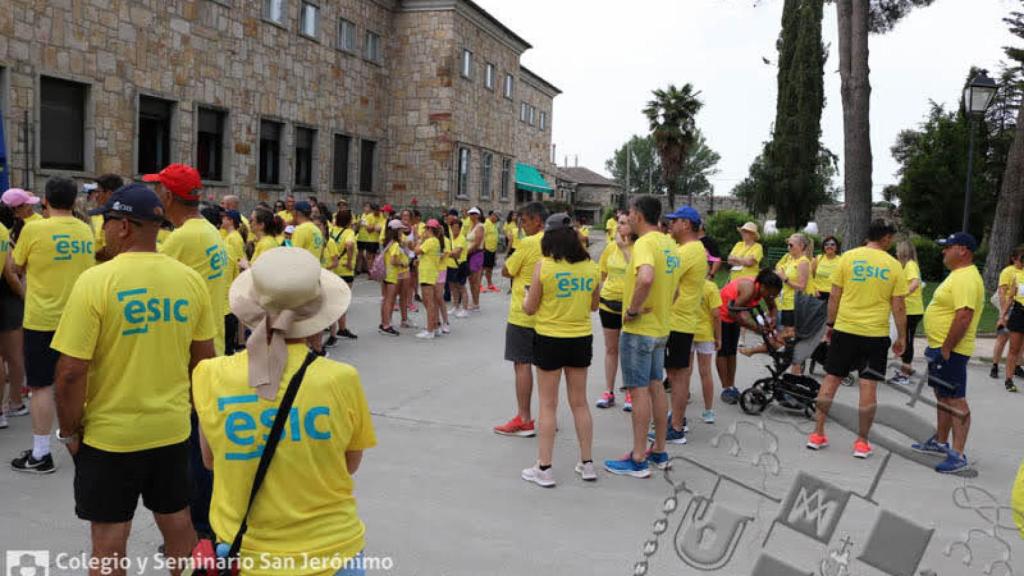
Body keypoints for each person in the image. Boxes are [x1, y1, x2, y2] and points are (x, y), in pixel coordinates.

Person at [52, 183, 216, 573]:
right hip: (171, 430)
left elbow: (71, 373)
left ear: (123, 226)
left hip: (111, 436)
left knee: (109, 537)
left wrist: (69, 431)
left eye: (106, 222)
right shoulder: (190, 281)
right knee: (178, 523)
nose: (102, 230)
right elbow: (204, 363)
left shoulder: (96, 281)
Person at [194, 247, 375, 575]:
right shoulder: (341, 379)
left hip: (245, 551)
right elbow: (349, 463)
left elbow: (209, 460)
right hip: (334, 551)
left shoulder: (209, 374)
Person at [146, 163, 228, 537]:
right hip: (213, 342)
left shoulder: (181, 239)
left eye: (157, 188)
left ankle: (200, 530)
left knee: (195, 448)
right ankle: (207, 523)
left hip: (194, 353)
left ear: (167, 196)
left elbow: (153, 283)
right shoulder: (206, 230)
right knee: (203, 440)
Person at [9, 178, 95, 474]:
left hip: (42, 319)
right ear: (74, 201)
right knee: (79, 382)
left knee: (41, 386)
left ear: (45, 200)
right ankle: (86, 443)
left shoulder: (34, 229)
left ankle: (41, 453)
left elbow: (16, 266)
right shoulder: (85, 230)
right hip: (78, 318)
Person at [810, 220, 907, 459]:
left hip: (845, 329)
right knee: (868, 386)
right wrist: (902, 337)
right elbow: (900, 307)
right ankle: (862, 442)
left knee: (831, 380)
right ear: (885, 238)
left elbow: (834, 296)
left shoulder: (847, 258)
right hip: (875, 334)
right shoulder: (894, 266)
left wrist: (830, 325)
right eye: (891, 238)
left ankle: (817, 434)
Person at [603, 196, 682, 478]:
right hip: (661, 327)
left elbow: (646, 277)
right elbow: (675, 289)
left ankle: (637, 458)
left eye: (630, 214)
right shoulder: (668, 243)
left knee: (638, 392)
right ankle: (659, 450)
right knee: (655, 387)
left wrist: (633, 310)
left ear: (637, 214)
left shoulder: (646, 244)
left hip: (640, 330)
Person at [521, 213, 600, 487]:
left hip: (550, 338)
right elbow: (594, 305)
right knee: (580, 403)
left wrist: (525, 297)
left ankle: (544, 467)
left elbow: (530, 308)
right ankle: (587, 463)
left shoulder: (544, 266)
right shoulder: (591, 266)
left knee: (547, 404)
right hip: (580, 338)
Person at [906, 233, 984, 474]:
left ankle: (958, 455)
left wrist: (947, 347)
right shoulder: (959, 275)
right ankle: (940, 442)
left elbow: (964, 316)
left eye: (947, 247)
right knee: (943, 396)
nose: (943, 252)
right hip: (941, 347)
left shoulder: (966, 278)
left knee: (955, 399)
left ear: (962, 250)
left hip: (951, 350)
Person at [494, 202, 548, 437]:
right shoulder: (556, 243)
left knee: (522, 365)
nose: (522, 226)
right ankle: (548, 416)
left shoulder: (528, 243)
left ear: (537, 220)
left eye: (524, 221)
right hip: (548, 315)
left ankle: (524, 418)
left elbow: (507, 269)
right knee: (547, 369)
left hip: (523, 314)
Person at [663, 206, 709, 445]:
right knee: (677, 374)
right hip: (682, 320)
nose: (671, 225)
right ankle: (677, 418)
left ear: (686, 224)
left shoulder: (689, 250)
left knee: (677, 376)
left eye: (675, 221)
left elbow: (668, 280)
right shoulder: (689, 249)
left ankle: (676, 426)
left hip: (677, 321)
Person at [716, 269, 783, 404]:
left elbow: (773, 307)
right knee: (723, 351)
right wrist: (755, 328)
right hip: (722, 314)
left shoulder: (765, 290)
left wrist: (773, 318)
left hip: (733, 316)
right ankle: (726, 388)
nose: (771, 297)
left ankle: (731, 385)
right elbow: (733, 312)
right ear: (764, 287)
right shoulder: (749, 289)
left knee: (732, 352)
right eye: (771, 295)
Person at [595, 212, 635, 411]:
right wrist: (600, 292)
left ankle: (630, 392)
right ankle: (608, 391)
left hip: (630, 305)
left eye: (624, 223)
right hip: (609, 301)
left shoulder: (639, 248)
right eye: (619, 223)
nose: (619, 227)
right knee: (611, 349)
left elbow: (638, 271)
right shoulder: (611, 247)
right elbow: (602, 273)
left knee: (628, 350)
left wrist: (624, 247)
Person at [0, 205, 26, 426]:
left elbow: (10, 272)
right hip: (10, 300)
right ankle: (14, 403)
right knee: (14, 356)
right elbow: (11, 272)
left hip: (8, 299)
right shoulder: (4, 235)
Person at [777, 233, 812, 374]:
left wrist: (785, 279)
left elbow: (802, 286)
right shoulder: (791, 259)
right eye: (788, 244)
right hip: (786, 303)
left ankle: (796, 372)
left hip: (795, 305)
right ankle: (793, 367)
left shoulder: (803, 262)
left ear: (801, 246)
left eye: (791, 245)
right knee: (788, 339)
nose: (788, 247)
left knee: (792, 340)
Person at [891, 240, 924, 386]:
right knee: (905, 340)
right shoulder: (906, 266)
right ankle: (906, 368)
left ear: (904, 251)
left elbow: (915, 283)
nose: (896, 253)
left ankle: (905, 373)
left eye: (898, 250)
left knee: (907, 341)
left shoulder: (910, 265)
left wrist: (902, 295)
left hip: (912, 310)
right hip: (908, 310)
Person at [693, 276, 723, 423]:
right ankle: (708, 410)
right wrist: (718, 337)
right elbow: (716, 315)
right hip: (705, 334)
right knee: (705, 372)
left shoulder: (685, 282)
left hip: (687, 330)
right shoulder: (711, 287)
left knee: (684, 372)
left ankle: (679, 408)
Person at [992, 248, 1024, 380]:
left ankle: (1017, 366)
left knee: (1020, 341)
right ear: (1014, 258)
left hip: (1018, 307)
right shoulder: (1008, 271)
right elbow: (1002, 292)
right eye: (1021, 258)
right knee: (1003, 337)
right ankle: (995, 365)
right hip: (1008, 306)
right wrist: (1003, 312)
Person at [332, 209, 358, 341]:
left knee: (332, 300)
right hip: (345, 270)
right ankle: (342, 328)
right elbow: (349, 244)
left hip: (333, 268)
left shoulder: (332, 231)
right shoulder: (349, 232)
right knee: (343, 301)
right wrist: (348, 261)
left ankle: (332, 328)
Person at [379, 220, 409, 337]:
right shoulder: (395, 244)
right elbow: (394, 260)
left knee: (385, 299)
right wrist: (403, 263)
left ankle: (383, 323)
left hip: (385, 273)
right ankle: (386, 325)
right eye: (400, 229)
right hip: (392, 275)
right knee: (389, 300)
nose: (402, 231)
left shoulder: (387, 242)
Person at [414, 220, 443, 339]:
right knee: (430, 302)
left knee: (428, 302)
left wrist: (419, 240)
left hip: (427, 274)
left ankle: (430, 329)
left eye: (425, 229)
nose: (424, 231)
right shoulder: (435, 241)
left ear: (430, 230)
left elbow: (416, 250)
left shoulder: (430, 241)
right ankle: (434, 326)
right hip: (430, 272)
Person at [89, 174, 125, 262]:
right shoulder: (96, 215)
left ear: (109, 194)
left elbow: (111, 252)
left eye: (98, 192)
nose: (96, 196)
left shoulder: (114, 216)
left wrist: (88, 255)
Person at [465, 207, 486, 311]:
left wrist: (467, 252)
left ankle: (476, 303)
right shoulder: (471, 226)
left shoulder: (480, 226)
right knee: (471, 279)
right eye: (470, 214)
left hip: (476, 254)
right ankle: (473, 301)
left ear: (478, 215)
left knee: (475, 280)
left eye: (474, 214)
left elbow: (477, 243)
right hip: (470, 254)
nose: (471, 216)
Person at [448, 219, 470, 318]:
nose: (455, 230)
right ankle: (455, 307)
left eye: (457, 228)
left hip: (460, 265)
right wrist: (450, 253)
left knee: (462, 288)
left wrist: (448, 253)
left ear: (460, 228)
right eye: (453, 228)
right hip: (451, 265)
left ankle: (465, 309)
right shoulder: (451, 238)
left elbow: (457, 253)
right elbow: (452, 252)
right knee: (453, 287)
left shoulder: (462, 239)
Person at [812, 236, 842, 301]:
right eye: (826, 244)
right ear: (823, 247)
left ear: (836, 247)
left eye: (832, 244)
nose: (829, 246)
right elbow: (811, 276)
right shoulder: (818, 258)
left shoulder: (841, 260)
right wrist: (814, 289)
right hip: (818, 294)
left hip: (834, 295)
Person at [357, 203, 382, 274]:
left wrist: (373, 227)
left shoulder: (381, 216)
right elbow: (369, 229)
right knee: (368, 256)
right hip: (367, 239)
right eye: (376, 210)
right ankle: (368, 271)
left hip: (377, 240)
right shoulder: (367, 216)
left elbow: (381, 228)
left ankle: (372, 271)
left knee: (374, 257)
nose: (377, 212)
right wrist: (375, 227)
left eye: (378, 210)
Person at [483, 211, 500, 292]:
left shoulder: (494, 225)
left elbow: (495, 238)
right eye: (496, 217)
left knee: (490, 268)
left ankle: (490, 284)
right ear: (492, 215)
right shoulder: (486, 223)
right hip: (486, 250)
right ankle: (479, 285)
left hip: (492, 250)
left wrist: (496, 252)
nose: (497, 219)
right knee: (482, 268)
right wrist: (482, 250)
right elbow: (482, 237)